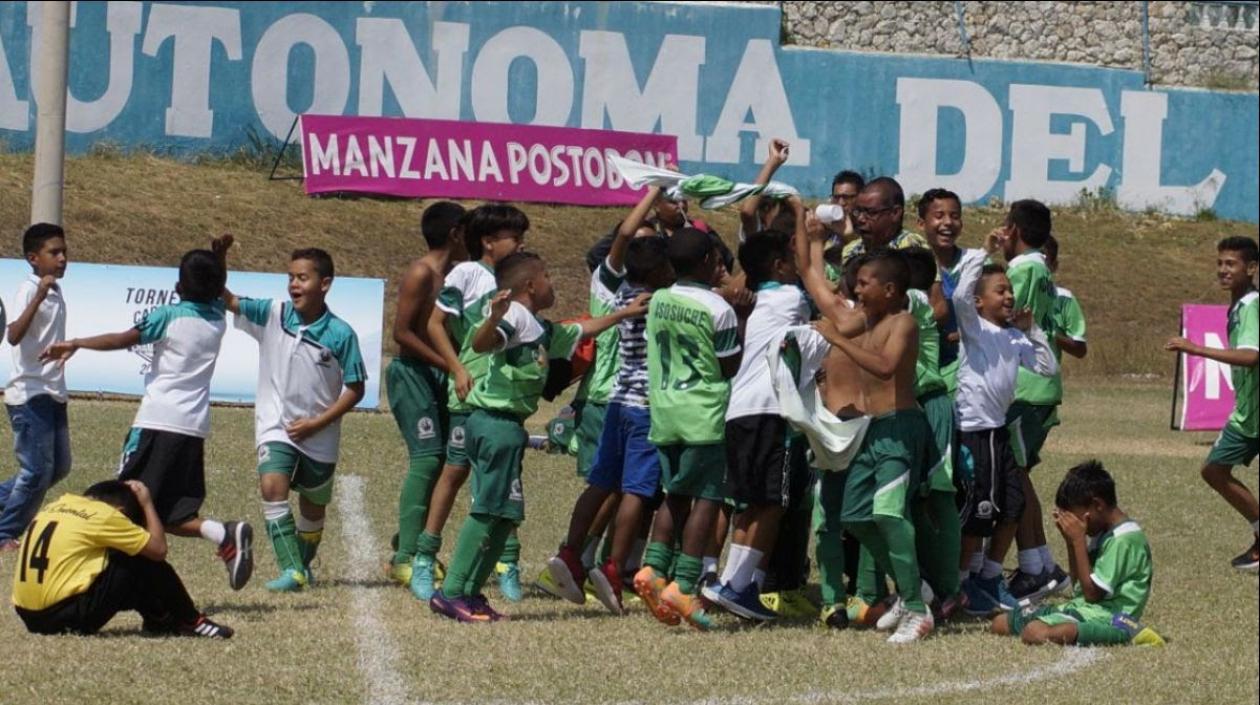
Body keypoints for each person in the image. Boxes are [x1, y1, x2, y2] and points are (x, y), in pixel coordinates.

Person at [429, 252, 649, 622]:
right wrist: (493, 318)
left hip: (509, 428)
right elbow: (483, 343)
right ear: (530, 285)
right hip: (494, 424)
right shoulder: (513, 315)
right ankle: (451, 592)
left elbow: (582, 330)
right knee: (487, 510)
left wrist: (625, 314)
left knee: (506, 514)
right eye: (547, 275)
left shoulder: (539, 327)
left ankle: (472, 592)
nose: (552, 282)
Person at [42, 243, 254, 591]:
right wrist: (220, 260)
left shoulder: (168, 316)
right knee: (169, 512)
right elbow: (216, 288)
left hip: (157, 421)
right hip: (192, 427)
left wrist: (77, 342)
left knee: (123, 500)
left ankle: (106, 580)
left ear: (178, 286)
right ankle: (223, 533)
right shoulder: (218, 318)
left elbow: (123, 339)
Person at [546, 187, 675, 614]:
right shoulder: (664, 303)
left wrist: (652, 194)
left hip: (617, 401)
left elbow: (622, 239)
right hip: (646, 408)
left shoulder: (621, 297)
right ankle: (614, 566)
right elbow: (623, 238)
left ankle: (571, 553)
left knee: (602, 483)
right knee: (637, 490)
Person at [812, 249, 939, 644]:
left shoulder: (904, 322)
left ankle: (916, 610)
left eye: (865, 283)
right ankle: (911, 585)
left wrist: (836, 338)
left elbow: (885, 366)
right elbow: (826, 310)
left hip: (900, 428)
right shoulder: (865, 320)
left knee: (887, 513)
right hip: (870, 430)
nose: (857, 289)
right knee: (854, 515)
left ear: (889, 289)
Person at [226, 246, 366, 592]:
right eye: (290, 277)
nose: (293, 285)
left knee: (313, 509)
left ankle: (302, 565)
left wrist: (317, 423)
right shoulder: (272, 313)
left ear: (325, 284)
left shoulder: (341, 333)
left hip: (320, 434)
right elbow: (228, 300)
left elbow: (356, 388)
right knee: (272, 487)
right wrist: (218, 261)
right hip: (276, 426)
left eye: (302, 278)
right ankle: (291, 569)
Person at [703, 195, 811, 623]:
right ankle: (737, 584)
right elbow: (811, 269)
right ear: (781, 266)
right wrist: (801, 216)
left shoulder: (747, 302)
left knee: (749, 502)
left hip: (739, 411)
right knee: (773, 503)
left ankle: (734, 583)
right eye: (791, 259)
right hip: (771, 411)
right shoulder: (790, 298)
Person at [412, 204, 527, 601]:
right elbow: (434, 324)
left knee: (505, 478)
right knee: (455, 470)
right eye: (515, 237)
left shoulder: (520, 276)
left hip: (505, 394)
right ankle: (425, 556)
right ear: (489, 241)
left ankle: (507, 562)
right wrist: (457, 368)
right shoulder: (466, 274)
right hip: (468, 391)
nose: (521, 244)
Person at [633, 228, 742, 631]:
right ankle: (685, 582)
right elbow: (729, 364)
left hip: (665, 410)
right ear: (708, 262)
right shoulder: (719, 309)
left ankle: (653, 567)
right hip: (703, 413)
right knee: (708, 498)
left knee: (674, 494)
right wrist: (742, 317)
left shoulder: (660, 300)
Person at [951, 242, 1057, 617]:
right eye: (1000, 290)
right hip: (973, 432)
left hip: (998, 432)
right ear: (979, 302)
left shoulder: (1013, 336)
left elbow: (1046, 367)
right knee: (978, 512)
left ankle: (990, 576)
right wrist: (983, 252)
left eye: (1010, 290)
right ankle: (961, 584)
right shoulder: (975, 329)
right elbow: (959, 296)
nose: (1009, 296)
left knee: (1013, 503)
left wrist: (1032, 330)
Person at [12, 479, 232, 638]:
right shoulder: (105, 515)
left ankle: (159, 618)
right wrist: (146, 503)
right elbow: (158, 550)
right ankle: (192, 621)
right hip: (64, 617)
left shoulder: (55, 506)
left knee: (114, 563)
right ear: (120, 511)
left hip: (28, 615)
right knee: (138, 556)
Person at [991, 461, 1163, 647]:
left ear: (1097, 505)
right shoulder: (1103, 532)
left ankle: (1127, 633)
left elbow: (1092, 594)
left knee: (1034, 632)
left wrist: (1079, 541)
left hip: (1108, 617)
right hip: (1084, 609)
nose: (1077, 525)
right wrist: (1070, 542)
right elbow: (1080, 587)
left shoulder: (1124, 540)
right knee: (1001, 623)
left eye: (1077, 517)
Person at [387, 201, 467, 588]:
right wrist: (448, 364)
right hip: (412, 374)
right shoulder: (422, 273)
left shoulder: (458, 276)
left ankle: (410, 541)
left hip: (440, 374)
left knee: (446, 462)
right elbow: (401, 333)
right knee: (427, 458)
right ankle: (405, 558)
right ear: (455, 234)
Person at [1166, 236, 1259, 570]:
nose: (1223, 270)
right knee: (1214, 469)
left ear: (1252, 268)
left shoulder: (1251, 305)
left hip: (1253, 412)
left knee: (1214, 470)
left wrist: (1196, 349)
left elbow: (1251, 356)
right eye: (1220, 263)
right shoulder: (1240, 305)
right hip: (1248, 412)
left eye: (1231, 263)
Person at [999, 200, 1070, 605]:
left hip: (1024, 385)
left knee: (1014, 476)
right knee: (1018, 474)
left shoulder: (1023, 269)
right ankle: (1041, 564)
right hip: (1037, 386)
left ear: (1013, 229)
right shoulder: (1041, 268)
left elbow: (1006, 316)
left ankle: (1034, 568)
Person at [1, 224, 72, 551]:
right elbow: (13, 335)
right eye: (54, 252)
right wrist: (39, 295)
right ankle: (4, 533)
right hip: (30, 393)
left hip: (53, 390)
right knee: (36, 470)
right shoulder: (29, 290)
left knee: (58, 467)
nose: (62, 258)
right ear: (33, 258)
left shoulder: (55, 289)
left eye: (64, 251)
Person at [902, 247, 964, 619]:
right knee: (912, 497)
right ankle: (930, 580)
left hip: (931, 404)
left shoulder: (911, 300)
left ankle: (951, 588)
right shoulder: (914, 302)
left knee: (940, 495)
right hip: (913, 407)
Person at [917, 189, 968, 391]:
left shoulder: (976, 264)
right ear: (921, 223)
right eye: (939, 216)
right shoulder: (911, 265)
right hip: (923, 371)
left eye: (954, 216)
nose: (948, 222)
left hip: (966, 372)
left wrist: (967, 333)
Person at [839, 177, 929, 266]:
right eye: (858, 211)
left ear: (895, 213)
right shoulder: (851, 251)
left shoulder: (911, 248)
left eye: (871, 212)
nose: (860, 219)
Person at [827, 170, 865, 245]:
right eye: (836, 197)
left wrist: (850, 237)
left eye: (846, 197)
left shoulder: (868, 230)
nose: (841, 203)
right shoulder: (828, 229)